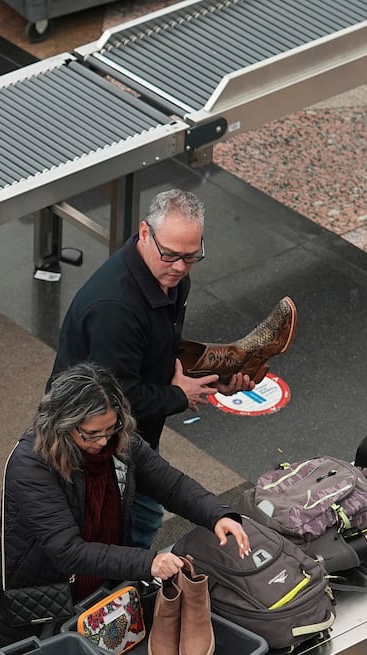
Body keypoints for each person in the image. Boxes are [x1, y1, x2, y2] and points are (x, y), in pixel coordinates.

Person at [0, 364, 249, 655]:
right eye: (90, 434)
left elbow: (172, 485)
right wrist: (148, 562)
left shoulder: (119, 442)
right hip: (30, 600)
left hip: (94, 590)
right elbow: (67, 551)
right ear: (62, 424)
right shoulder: (30, 464)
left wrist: (217, 514)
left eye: (110, 428)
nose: (103, 441)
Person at [50, 188, 253, 550]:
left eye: (191, 257)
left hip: (129, 436)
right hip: (92, 444)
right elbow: (116, 399)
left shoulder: (169, 279)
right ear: (145, 232)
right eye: (170, 255)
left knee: (141, 516)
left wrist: (210, 377)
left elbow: (159, 347)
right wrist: (178, 395)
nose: (178, 267)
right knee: (125, 529)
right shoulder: (116, 308)